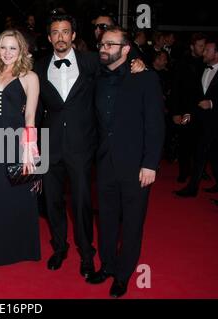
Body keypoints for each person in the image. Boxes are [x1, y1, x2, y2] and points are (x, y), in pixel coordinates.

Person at [34, 13, 144, 278]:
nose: (60, 37)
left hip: (82, 146)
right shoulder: (38, 66)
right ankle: (60, 247)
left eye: (65, 32)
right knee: (53, 202)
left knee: (82, 202)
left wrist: (138, 62)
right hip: (49, 145)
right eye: (55, 32)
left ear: (73, 36)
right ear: (49, 38)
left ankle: (86, 253)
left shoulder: (91, 61)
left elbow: (119, 58)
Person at [86, 26, 165, 298]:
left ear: (126, 49)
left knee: (132, 223)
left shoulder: (145, 79)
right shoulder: (97, 77)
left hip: (136, 166)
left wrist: (150, 164)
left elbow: (155, 125)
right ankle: (107, 266)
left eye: (111, 44)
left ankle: (123, 274)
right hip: (105, 163)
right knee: (106, 220)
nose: (104, 49)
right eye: (102, 44)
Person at [0, 29, 41, 266]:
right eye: (3, 47)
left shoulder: (30, 77)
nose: (7, 53)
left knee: (18, 193)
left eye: (13, 48)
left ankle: (21, 248)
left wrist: (30, 152)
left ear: (21, 51)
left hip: (16, 141)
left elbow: (30, 116)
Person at [175, 39, 218, 197]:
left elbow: (209, 100)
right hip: (201, 121)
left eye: (208, 50)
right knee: (207, 153)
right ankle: (196, 187)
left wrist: (213, 103)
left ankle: (193, 188)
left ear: (217, 54)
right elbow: (194, 95)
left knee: (207, 154)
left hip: (217, 121)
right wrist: (188, 113)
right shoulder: (201, 68)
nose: (204, 52)